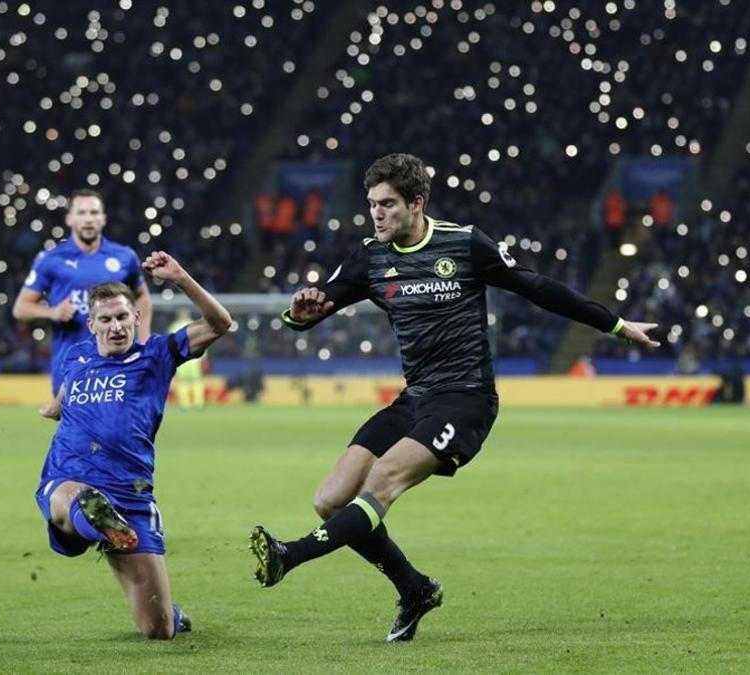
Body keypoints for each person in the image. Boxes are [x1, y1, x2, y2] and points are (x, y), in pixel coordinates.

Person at [248, 153, 659, 642]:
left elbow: (538, 288)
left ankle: (290, 555)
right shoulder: (370, 258)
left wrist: (615, 325)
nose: (376, 214)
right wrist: (300, 311)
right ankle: (415, 588)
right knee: (330, 500)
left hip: (465, 398)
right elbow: (314, 307)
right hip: (414, 398)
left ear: (416, 202)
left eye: (387, 204)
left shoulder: (463, 245)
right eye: (372, 204)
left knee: (379, 482)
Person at [34, 253, 232, 639]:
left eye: (123, 317)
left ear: (136, 318)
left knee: (159, 631)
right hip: (68, 477)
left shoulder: (157, 355)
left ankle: (159, 599)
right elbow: (66, 393)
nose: (116, 326)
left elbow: (221, 323)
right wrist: (53, 408)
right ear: (92, 325)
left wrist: (180, 278)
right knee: (70, 496)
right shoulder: (77, 358)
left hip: (131, 495)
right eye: (106, 320)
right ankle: (96, 518)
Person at [13, 188, 153, 394]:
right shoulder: (51, 259)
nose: (88, 219)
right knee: (77, 427)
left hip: (119, 363)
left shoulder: (125, 257)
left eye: (94, 213)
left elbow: (142, 296)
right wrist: (52, 312)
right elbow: (21, 308)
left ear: (103, 219)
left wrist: (144, 340)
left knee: (120, 426)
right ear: (69, 219)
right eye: (81, 213)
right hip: (71, 366)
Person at [167, 308, 207, 410]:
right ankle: (198, 403)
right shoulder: (194, 324)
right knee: (196, 381)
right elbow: (202, 341)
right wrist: (204, 356)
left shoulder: (174, 326)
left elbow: (169, 343)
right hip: (194, 358)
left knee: (182, 382)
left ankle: (185, 405)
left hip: (180, 358)